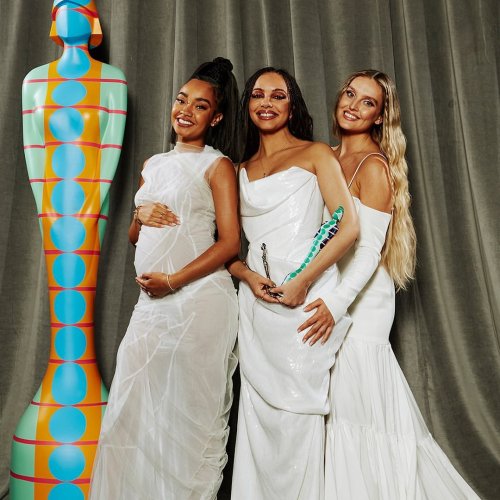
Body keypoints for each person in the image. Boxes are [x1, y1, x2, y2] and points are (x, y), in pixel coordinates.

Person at [323, 69, 480, 499]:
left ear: (379, 116)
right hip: (331, 290)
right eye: (350, 94)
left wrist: (336, 304)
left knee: (360, 410)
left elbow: (369, 253)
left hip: (362, 299)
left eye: (367, 102)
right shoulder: (328, 156)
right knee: (336, 409)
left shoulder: (374, 167)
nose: (353, 105)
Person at [90, 57, 241, 499]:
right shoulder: (153, 163)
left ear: (215, 118)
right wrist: (138, 213)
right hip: (151, 306)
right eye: (181, 100)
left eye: (199, 106)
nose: (185, 111)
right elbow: (138, 237)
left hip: (198, 304)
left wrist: (174, 280)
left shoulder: (218, 166)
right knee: (133, 411)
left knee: (184, 418)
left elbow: (230, 243)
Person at [228, 67, 359, 500]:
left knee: (299, 413)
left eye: (278, 95)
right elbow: (227, 249)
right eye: (258, 95)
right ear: (247, 106)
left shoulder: (316, 153)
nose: (267, 103)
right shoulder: (239, 169)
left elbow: (348, 228)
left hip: (305, 302)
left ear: (292, 105)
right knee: (258, 419)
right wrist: (247, 276)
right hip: (256, 308)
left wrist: (302, 281)